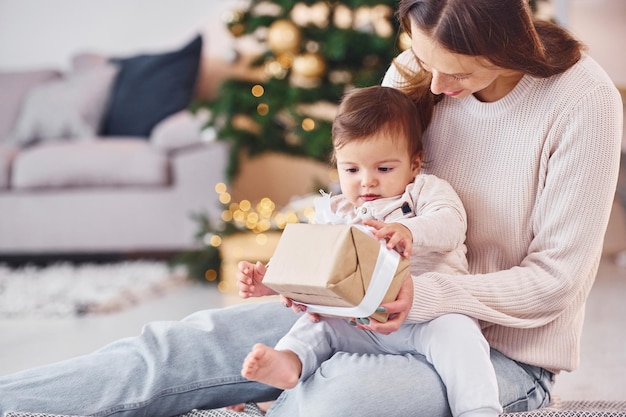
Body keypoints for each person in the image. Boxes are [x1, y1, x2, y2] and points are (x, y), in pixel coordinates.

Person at [0, 0, 622, 416]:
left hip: (495, 355)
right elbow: (360, 193)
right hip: (361, 314)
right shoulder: (422, 67)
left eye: (454, 74)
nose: (433, 89)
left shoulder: (581, 101)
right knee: (182, 346)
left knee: (342, 399)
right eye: (423, 62)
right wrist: (313, 282)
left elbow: (555, 283)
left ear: (506, 45)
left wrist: (422, 300)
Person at [239, 85, 502, 417]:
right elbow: (313, 263)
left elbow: (451, 224)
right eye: (352, 170)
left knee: (460, 336)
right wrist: (274, 281)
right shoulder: (335, 212)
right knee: (314, 324)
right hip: (359, 323)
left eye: (384, 169)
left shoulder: (424, 192)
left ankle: (478, 409)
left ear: (415, 163)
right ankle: (289, 363)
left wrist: (409, 231)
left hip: (427, 320)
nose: (367, 182)